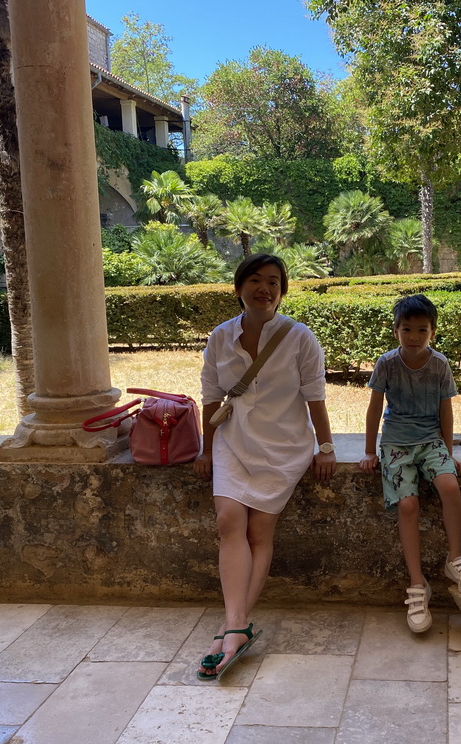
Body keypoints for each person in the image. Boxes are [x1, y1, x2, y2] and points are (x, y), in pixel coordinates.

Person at [193, 253, 336, 679]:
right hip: (233, 441)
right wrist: (206, 449)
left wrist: (325, 448)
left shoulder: (299, 337)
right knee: (228, 521)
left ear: (282, 290)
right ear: (238, 287)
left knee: (259, 531)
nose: (265, 288)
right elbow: (210, 398)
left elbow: (315, 397)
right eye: (255, 280)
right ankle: (237, 625)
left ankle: (230, 626)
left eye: (274, 282)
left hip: (283, 446)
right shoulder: (220, 337)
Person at [358, 294, 461, 633]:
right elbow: (373, 408)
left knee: (449, 485)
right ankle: (417, 583)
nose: (414, 336)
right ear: (396, 330)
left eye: (422, 330)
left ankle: (454, 559)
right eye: (407, 329)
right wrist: (370, 451)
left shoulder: (439, 364)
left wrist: (447, 452)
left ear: (433, 332)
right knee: (408, 505)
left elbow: (446, 409)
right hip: (396, 443)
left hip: (430, 441)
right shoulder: (387, 363)